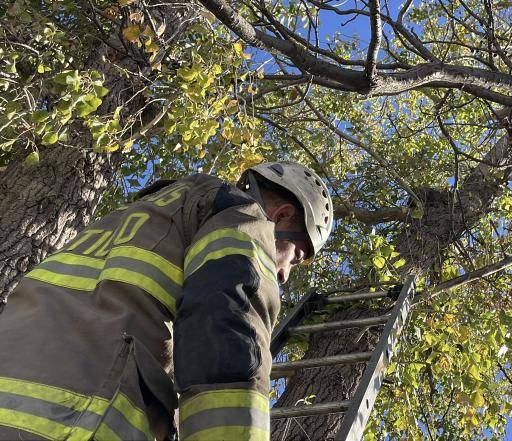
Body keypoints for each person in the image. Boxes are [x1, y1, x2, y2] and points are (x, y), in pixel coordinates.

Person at [0, 161, 334, 440]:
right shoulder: (241, 214)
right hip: (73, 420)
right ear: (281, 217)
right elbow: (227, 320)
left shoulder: (125, 220)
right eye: (296, 255)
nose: (286, 274)